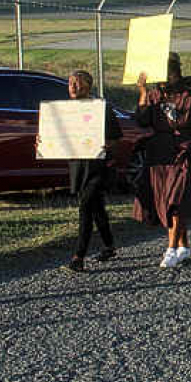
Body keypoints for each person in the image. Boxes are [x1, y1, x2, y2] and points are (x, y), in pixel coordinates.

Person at [134, 54, 191, 268]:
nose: (168, 77)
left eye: (171, 72)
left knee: (175, 201)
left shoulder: (189, 97)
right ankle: (183, 246)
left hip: (183, 154)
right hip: (159, 157)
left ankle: (170, 249)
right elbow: (141, 121)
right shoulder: (153, 95)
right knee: (165, 201)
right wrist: (142, 92)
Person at [63, 70, 122, 272]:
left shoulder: (102, 109)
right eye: (70, 83)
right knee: (96, 208)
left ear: (88, 86)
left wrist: (107, 145)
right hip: (78, 166)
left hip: (99, 167)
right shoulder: (65, 110)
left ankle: (78, 256)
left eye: (77, 83)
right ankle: (109, 245)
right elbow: (57, 136)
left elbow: (116, 137)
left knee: (86, 207)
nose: (73, 87)